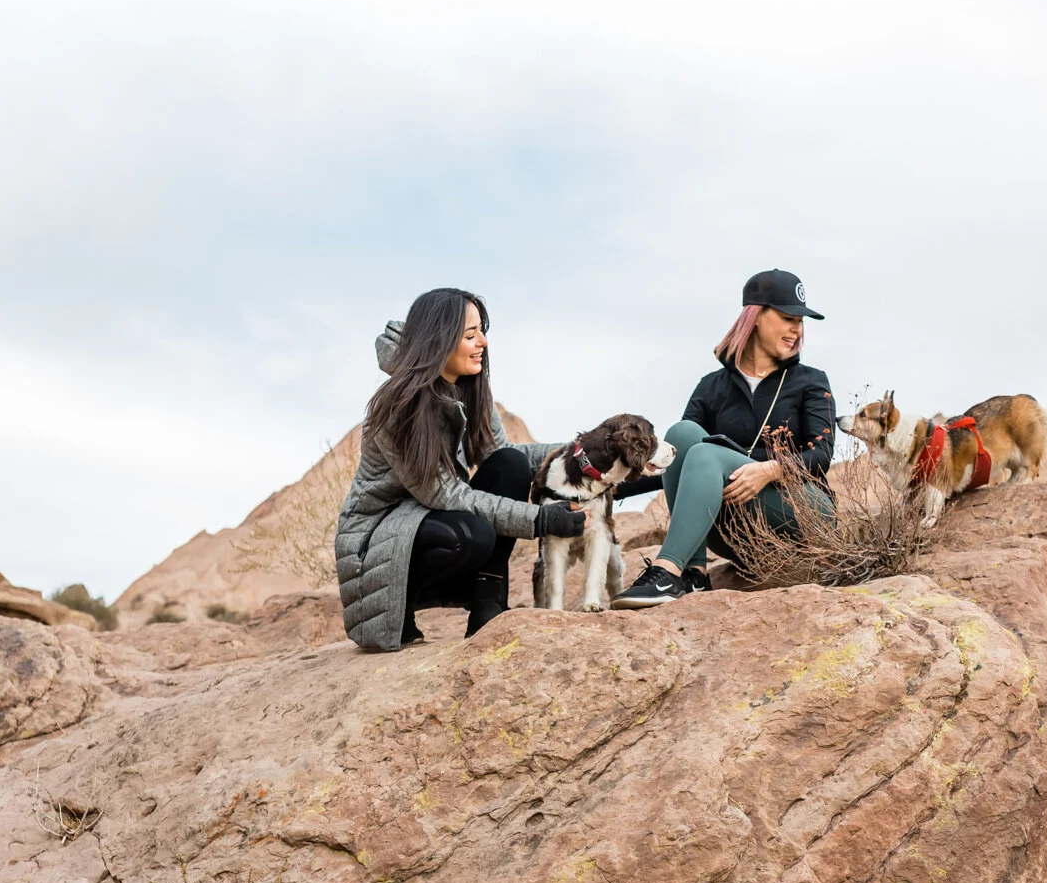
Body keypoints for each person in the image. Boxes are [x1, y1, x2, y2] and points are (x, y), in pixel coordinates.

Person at [335, 287, 587, 652]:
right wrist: (542, 520)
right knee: (472, 534)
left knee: (510, 466)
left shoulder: (468, 387)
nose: (482, 342)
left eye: (482, 331)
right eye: (470, 335)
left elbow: (503, 454)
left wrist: (583, 451)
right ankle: (400, 605)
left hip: (431, 519)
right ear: (438, 341)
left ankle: (488, 603)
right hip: (379, 538)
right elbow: (444, 495)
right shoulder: (397, 406)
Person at [611, 269, 835, 608]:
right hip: (737, 528)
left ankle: (667, 570)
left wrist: (769, 470)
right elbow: (674, 462)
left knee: (705, 455)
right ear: (756, 316)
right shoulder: (711, 386)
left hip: (802, 514)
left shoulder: (811, 381)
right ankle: (694, 575)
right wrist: (604, 486)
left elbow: (821, 456)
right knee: (681, 436)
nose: (797, 329)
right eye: (789, 318)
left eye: (801, 321)